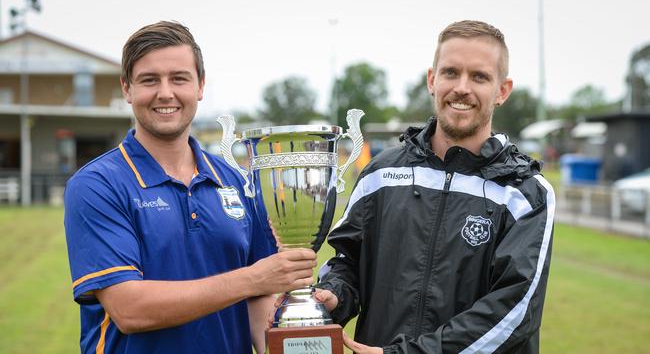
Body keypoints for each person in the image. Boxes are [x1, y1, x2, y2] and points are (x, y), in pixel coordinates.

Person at [64, 21, 317, 354]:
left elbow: (260, 297)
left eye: (179, 78)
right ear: (127, 89)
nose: (165, 93)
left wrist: (300, 323)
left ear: (200, 86)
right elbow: (130, 309)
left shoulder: (237, 181)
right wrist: (251, 279)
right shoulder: (98, 185)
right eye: (149, 80)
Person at [315, 20, 556, 353]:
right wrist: (334, 294)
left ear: (502, 90)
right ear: (432, 79)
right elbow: (347, 262)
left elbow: (513, 312)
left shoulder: (525, 193)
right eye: (451, 72)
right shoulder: (380, 173)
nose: (462, 88)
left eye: (480, 76)